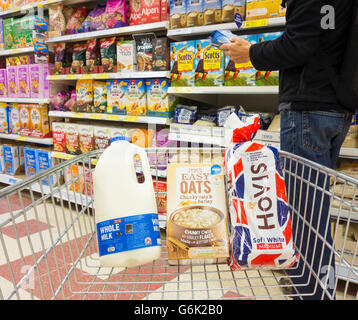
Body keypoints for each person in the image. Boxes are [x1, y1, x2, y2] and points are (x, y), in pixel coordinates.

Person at [221, 0, 355, 300]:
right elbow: (318, 38)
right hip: (336, 108)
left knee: (305, 218)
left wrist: (250, 52)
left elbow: (299, 45)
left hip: (308, 109)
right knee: (315, 214)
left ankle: (309, 294)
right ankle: (318, 288)